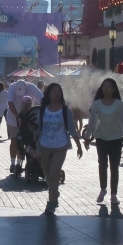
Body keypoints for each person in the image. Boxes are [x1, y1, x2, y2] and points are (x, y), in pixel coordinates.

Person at [36, 83, 84, 214]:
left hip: (60, 146)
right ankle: (55, 193)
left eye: (59, 91)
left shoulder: (65, 110)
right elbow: (39, 129)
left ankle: (50, 203)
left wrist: (79, 146)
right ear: (49, 94)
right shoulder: (43, 109)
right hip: (45, 145)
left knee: (54, 174)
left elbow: (72, 129)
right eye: (54, 91)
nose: (56, 93)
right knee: (47, 176)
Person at [85, 77, 123, 205]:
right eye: (104, 86)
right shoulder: (96, 104)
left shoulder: (119, 104)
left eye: (109, 86)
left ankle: (113, 194)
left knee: (114, 167)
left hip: (116, 138)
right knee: (102, 164)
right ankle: (103, 189)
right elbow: (92, 122)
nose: (106, 88)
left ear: (114, 89)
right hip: (101, 138)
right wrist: (87, 137)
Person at [7, 79, 44, 174]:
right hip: (13, 117)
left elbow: (41, 99)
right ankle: (12, 163)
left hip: (29, 117)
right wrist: (17, 116)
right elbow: (10, 103)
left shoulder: (31, 87)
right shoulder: (12, 86)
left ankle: (19, 163)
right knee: (14, 140)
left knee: (27, 140)